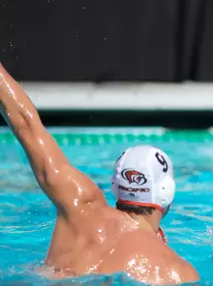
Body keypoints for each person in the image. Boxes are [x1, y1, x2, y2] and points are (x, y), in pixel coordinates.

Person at [0, 63, 199, 284]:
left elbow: (26, 125)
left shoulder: (79, 204)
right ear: (166, 192)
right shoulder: (175, 272)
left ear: (115, 185)